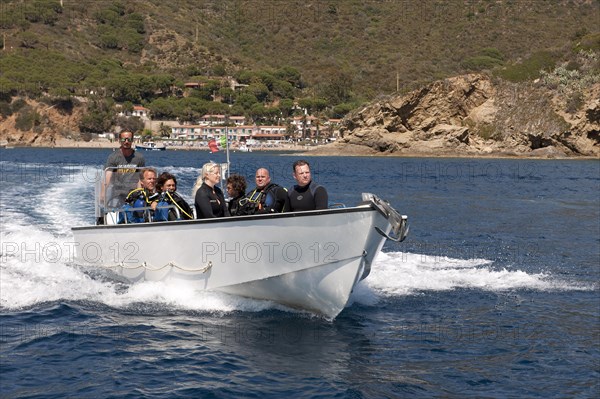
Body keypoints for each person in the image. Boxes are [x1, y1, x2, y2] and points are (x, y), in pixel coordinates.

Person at [103, 131, 145, 210]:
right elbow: (107, 177)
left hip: (133, 193)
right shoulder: (113, 157)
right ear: (120, 140)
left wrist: (139, 194)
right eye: (124, 139)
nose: (126, 142)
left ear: (132, 140)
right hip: (117, 193)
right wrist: (102, 195)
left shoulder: (139, 158)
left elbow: (141, 178)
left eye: (129, 139)